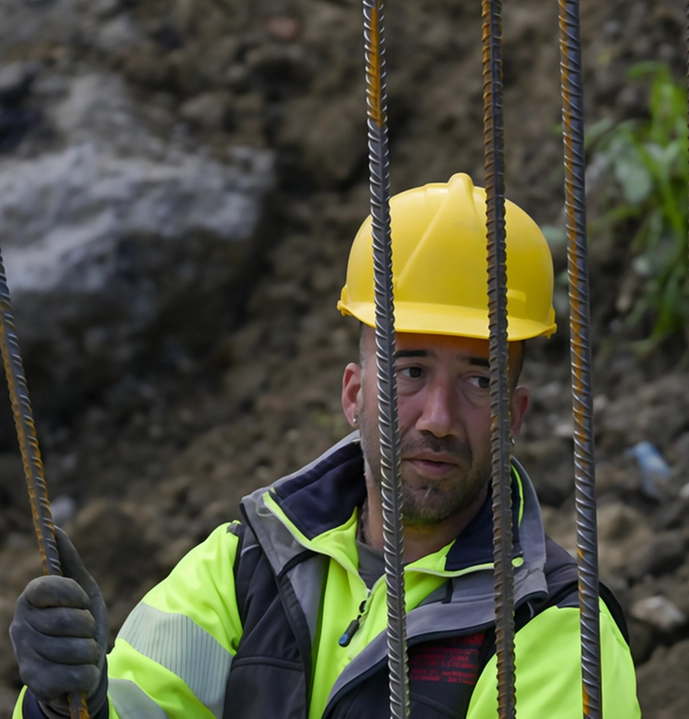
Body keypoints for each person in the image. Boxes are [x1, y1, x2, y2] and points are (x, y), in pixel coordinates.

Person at [9, 173, 642, 718]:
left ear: (514, 413)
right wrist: (67, 702)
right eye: (410, 371)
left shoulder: (554, 627)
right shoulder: (245, 569)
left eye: (480, 381)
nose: (439, 418)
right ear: (353, 393)